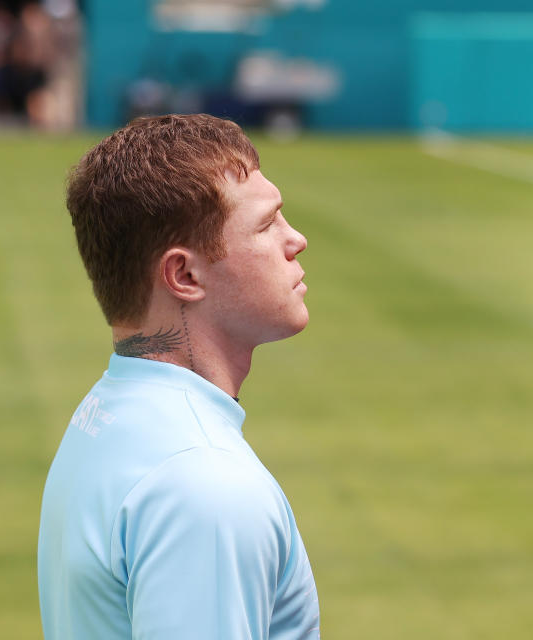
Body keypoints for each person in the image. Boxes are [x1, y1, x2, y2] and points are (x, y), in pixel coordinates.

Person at [37, 114, 320, 639]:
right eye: (266, 224)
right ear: (185, 275)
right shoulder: (204, 484)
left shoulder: (105, 412)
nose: (296, 239)